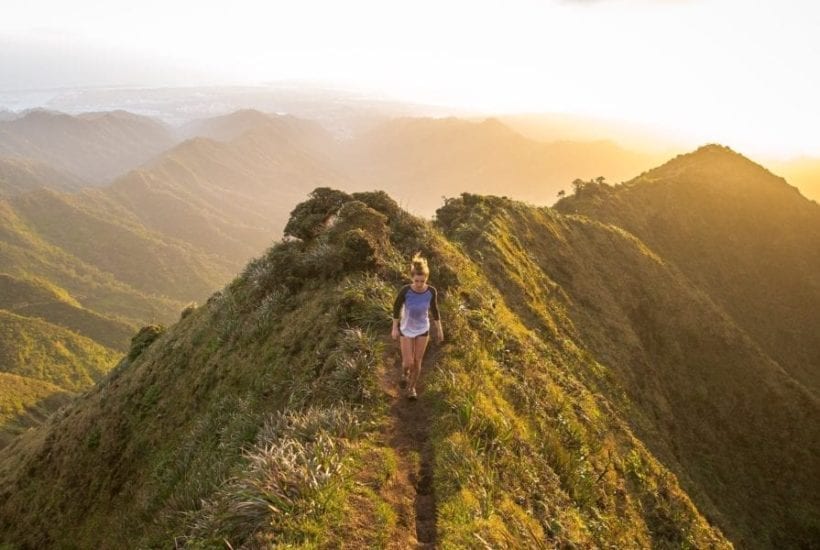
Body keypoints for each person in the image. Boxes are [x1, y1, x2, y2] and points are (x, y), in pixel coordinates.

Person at [391, 252, 444, 400]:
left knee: (417, 361)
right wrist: (394, 327)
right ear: (412, 278)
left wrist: (439, 329)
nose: (419, 284)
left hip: (422, 329)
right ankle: (405, 372)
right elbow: (396, 307)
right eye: (417, 280)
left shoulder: (431, 292)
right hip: (406, 328)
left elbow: (435, 310)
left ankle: (412, 388)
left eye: (422, 281)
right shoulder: (406, 291)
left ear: (426, 278)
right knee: (408, 362)